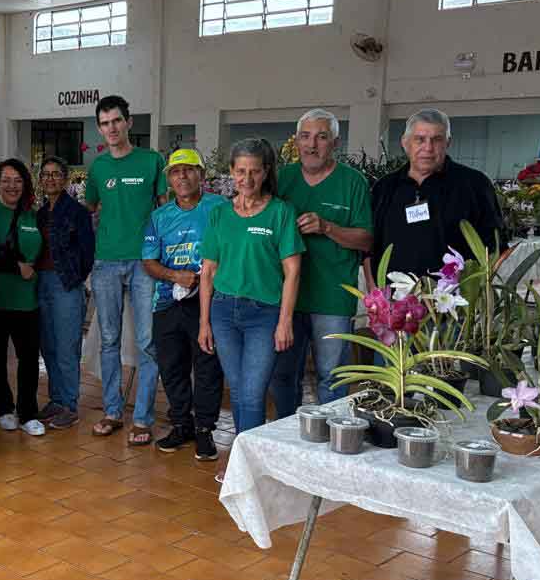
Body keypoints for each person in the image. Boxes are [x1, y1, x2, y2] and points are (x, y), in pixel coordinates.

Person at [199, 138, 304, 480]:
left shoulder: (280, 212)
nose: (246, 178)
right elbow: (209, 271)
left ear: (266, 172)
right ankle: (246, 462)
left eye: (254, 172)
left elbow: (292, 271)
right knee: (240, 389)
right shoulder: (219, 214)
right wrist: (204, 322)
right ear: (231, 172)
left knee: (253, 390)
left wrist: (285, 321)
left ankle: (249, 465)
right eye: (240, 171)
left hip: (264, 314)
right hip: (224, 312)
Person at [270, 110, 373, 419]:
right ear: (296, 141)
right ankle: (286, 435)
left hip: (332, 298)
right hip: (287, 297)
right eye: (305, 136)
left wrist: (328, 227)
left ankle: (332, 441)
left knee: (333, 377)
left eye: (321, 137)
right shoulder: (282, 179)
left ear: (336, 143)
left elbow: (366, 240)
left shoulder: (353, 182)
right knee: (284, 375)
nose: (312, 145)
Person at [85, 95, 166, 446]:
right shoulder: (98, 168)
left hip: (145, 264)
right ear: (100, 128)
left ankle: (143, 417)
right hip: (106, 262)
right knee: (108, 340)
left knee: (148, 342)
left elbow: (164, 210)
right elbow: (90, 208)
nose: (111, 128)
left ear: (129, 123)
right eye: (104, 123)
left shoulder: (152, 161)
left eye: (116, 121)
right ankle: (113, 411)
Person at [141, 149, 226, 459]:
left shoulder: (219, 207)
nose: (183, 177)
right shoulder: (159, 217)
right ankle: (181, 425)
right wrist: (176, 276)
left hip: (208, 303)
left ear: (201, 176)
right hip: (166, 303)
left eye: (190, 170)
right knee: (172, 368)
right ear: (169, 180)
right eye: (176, 172)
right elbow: (148, 262)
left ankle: (204, 430)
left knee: (207, 367)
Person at [370, 108, 505, 279]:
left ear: (448, 143)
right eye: (420, 139)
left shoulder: (474, 184)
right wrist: (376, 291)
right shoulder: (385, 187)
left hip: (455, 298)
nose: (428, 147)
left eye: (437, 139)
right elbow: (371, 246)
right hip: (397, 298)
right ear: (405, 143)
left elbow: (494, 246)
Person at [0, 159, 45, 436]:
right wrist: (14, 266)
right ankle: (3, 409)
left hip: (27, 300)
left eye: (18, 180)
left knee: (29, 358)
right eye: (6, 180)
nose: (12, 186)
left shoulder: (32, 215)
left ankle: (28, 412)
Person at [36, 156, 94, 430]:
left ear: (66, 178)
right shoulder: (39, 213)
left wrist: (73, 280)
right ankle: (56, 399)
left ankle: (70, 404)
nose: (51, 179)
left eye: (56, 174)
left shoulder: (77, 212)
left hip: (66, 284)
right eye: (46, 174)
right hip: (40, 284)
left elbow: (87, 252)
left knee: (66, 348)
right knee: (47, 346)